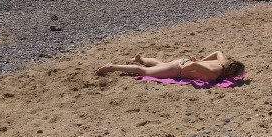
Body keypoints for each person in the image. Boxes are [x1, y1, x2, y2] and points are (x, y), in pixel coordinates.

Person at [95, 51, 245, 82]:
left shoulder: (221, 62)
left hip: (181, 61)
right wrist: (185, 68)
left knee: (160, 64)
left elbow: (218, 52)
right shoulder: (215, 74)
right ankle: (112, 67)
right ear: (231, 73)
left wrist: (201, 60)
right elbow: (193, 65)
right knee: (145, 72)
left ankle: (140, 59)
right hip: (178, 68)